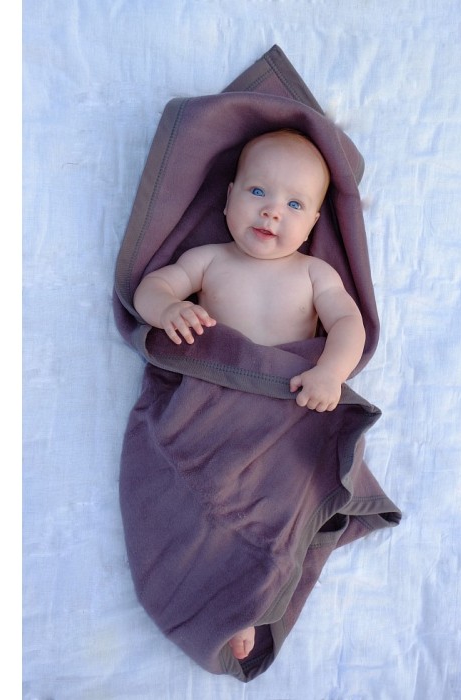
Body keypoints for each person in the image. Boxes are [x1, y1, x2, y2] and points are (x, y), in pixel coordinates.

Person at [132, 129, 366, 660]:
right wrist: (168, 309)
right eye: (258, 191)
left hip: (289, 412)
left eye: (294, 204)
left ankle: (252, 602)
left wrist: (331, 372)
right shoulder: (208, 258)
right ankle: (220, 598)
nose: (272, 211)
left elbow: (348, 324)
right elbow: (152, 288)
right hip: (213, 408)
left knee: (278, 506)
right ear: (229, 196)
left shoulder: (315, 272)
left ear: (314, 222)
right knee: (205, 503)